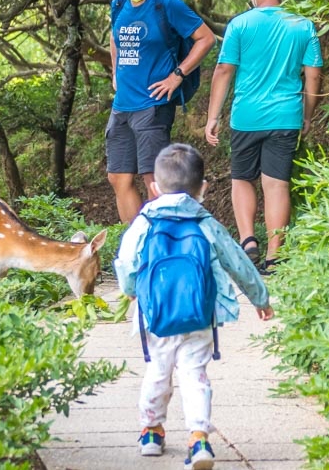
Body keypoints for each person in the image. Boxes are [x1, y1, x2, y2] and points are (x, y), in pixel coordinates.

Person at [114, 143, 273, 469]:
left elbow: (126, 261)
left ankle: (151, 433)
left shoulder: (143, 222)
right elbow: (238, 262)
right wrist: (261, 298)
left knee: (157, 371)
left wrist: (131, 291)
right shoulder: (206, 222)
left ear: (154, 187)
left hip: (155, 315)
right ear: (203, 188)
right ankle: (198, 438)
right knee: (194, 374)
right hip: (199, 315)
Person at [205, 0, 322, 274]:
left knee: (242, 179)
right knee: (276, 184)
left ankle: (248, 241)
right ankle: (274, 255)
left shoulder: (240, 25)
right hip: (286, 116)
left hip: (247, 116)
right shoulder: (303, 26)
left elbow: (224, 70)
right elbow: (313, 77)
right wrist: (308, 115)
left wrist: (212, 117)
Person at [107, 0, 215, 224]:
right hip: (122, 106)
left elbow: (206, 38)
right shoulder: (118, 4)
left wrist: (177, 75)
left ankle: (162, 243)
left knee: (153, 178)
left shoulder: (165, 4)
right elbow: (114, 38)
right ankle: (138, 243)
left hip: (153, 105)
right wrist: (116, 73)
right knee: (118, 177)